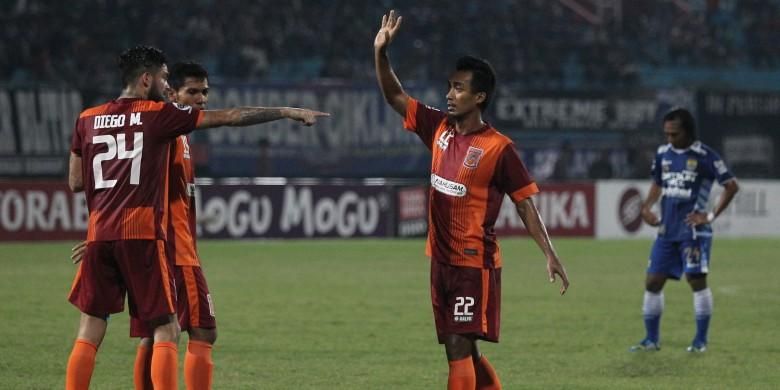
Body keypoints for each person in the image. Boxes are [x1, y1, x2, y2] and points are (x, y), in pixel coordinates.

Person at [65, 45, 327, 390]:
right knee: (169, 329)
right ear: (149, 79)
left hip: (103, 234)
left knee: (94, 327)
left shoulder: (87, 118)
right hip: (150, 239)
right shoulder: (161, 118)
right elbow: (231, 116)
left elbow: (76, 181)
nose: (166, 83)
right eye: (163, 77)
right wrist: (285, 111)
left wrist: (108, 223)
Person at [374, 10, 569, 390]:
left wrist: (549, 252)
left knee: (459, 348)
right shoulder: (439, 129)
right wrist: (381, 52)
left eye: (459, 88)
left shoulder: (499, 149)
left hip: (473, 264)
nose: (449, 94)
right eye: (449, 86)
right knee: (460, 348)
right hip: (440, 261)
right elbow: (395, 95)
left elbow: (524, 203)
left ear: (479, 97)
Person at [630, 108, 739, 353]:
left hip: (692, 232)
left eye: (674, 134)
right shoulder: (662, 155)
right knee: (653, 282)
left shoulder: (705, 156)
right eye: (666, 134)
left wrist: (710, 216)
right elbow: (658, 183)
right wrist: (647, 207)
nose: (670, 139)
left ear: (688, 132)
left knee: (696, 281)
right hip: (666, 230)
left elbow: (731, 186)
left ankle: (700, 341)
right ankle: (651, 340)